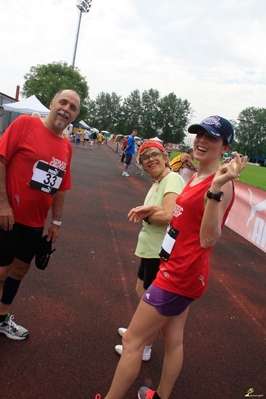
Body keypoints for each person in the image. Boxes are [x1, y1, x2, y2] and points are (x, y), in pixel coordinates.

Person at [93, 115, 247, 399]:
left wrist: (215, 190)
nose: (201, 141)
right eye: (199, 134)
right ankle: (160, 396)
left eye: (211, 137)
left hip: (180, 274)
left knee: (131, 341)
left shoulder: (220, 184)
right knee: (173, 341)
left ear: (225, 146)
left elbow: (209, 238)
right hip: (177, 267)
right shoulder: (197, 173)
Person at [0, 89, 81, 340]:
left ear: (74, 116)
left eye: (73, 107)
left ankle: (2, 319)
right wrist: (3, 204)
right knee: (1, 271)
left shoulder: (66, 147)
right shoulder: (25, 124)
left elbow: (60, 189)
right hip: (8, 217)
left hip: (35, 223)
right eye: (63, 102)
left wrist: (55, 222)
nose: (67, 109)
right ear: (52, 103)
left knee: (20, 270)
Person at [115, 140, 185, 361]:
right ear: (142, 165)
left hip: (160, 251)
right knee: (140, 291)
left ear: (165, 157)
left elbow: (169, 215)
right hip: (150, 249)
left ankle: (144, 346)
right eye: (145, 157)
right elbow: (162, 211)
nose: (150, 159)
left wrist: (146, 212)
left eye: (155, 154)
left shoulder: (172, 179)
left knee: (153, 303)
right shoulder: (159, 181)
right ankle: (139, 332)